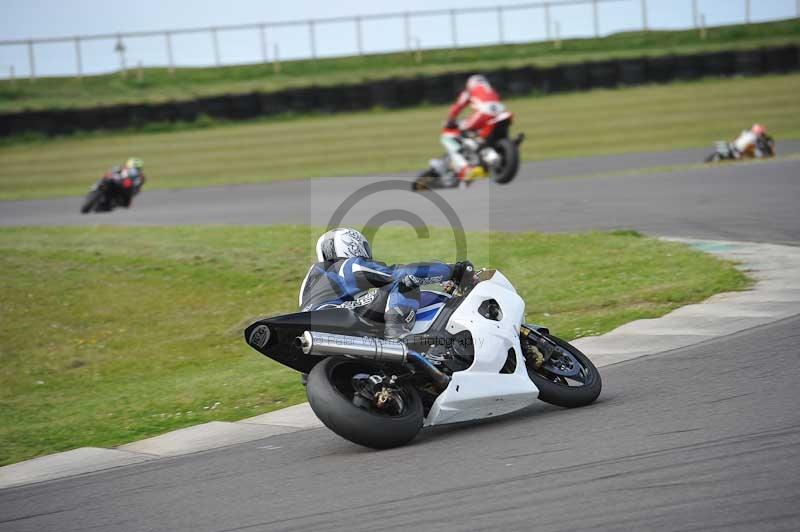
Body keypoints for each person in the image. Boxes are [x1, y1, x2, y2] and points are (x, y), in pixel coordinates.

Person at [298, 228, 472, 339]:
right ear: (353, 246)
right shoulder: (347, 265)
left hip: (310, 328)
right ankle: (397, 336)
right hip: (339, 316)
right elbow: (400, 274)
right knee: (405, 281)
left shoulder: (311, 279)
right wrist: (454, 270)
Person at [441, 74, 507, 186]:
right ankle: (484, 155)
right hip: (501, 113)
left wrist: (450, 120)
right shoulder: (491, 90)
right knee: (479, 134)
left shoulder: (470, 91)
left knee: (449, 136)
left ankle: (465, 168)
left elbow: (458, 106)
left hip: (483, 114)